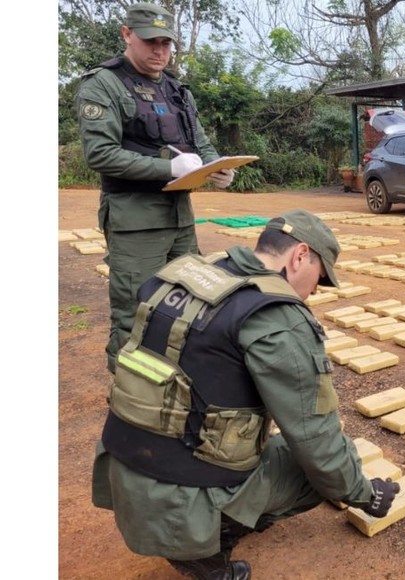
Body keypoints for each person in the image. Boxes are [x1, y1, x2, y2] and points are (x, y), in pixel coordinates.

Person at [91, 209, 400, 579]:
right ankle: (205, 548)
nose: (315, 290)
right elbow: (314, 438)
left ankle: (196, 529)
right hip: (180, 498)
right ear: (300, 255)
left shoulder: (187, 272)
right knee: (318, 467)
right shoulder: (277, 319)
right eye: (319, 277)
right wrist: (365, 493)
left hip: (124, 466)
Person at [76, 2, 236, 373]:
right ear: (127, 34)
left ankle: (176, 390)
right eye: (151, 42)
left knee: (191, 304)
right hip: (136, 223)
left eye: (166, 43)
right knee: (136, 312)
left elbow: (200, 141)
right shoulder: (104, 85)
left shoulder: (178, 90)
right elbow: (100, 154)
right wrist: (168, 167)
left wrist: (218, 169)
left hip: (180, 220)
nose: (160, 51)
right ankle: (128, 405)